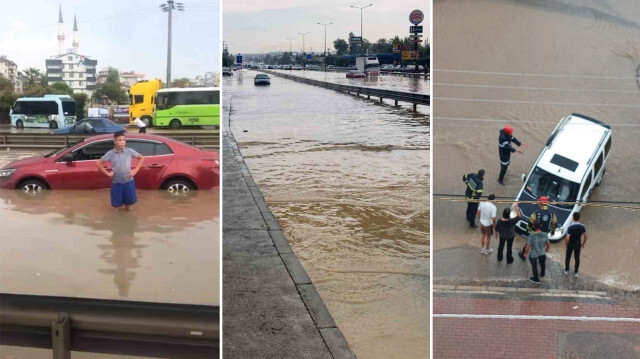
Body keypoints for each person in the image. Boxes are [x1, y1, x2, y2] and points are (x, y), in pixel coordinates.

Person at [96, 131, 145, 210]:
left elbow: (142, 158)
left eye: (124, 140)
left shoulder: (129, 151)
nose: (122, 142)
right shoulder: (110, 153)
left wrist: (135, 170)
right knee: (116, 207)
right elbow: (98, 163)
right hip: (116, 183)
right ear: (115, 141)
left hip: (129, 182)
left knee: (129, 207)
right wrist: (108, 173)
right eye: (120, 140)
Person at [519, 196, 557, 260]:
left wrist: (528, 229)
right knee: (541, 246)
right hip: (545, 233)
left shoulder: (536, 213)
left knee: (528, 244)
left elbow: (530, 222)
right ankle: (541, 258)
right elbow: (554, 223)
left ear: (540, 203)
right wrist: (553, 231)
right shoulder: (552, 213)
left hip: (534, 232)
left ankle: (524, 255)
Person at [523, 219, 550, 284]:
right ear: (541, 225)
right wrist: (547, 249)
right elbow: (548, 243)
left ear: (533, 226)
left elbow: (528, 246)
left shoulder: (531, 236)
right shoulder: (545, 234)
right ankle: (542, 274)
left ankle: (536, 278)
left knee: (534, 266)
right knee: (542, 263)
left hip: (533, 254)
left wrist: (525, 253)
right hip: (542, 252)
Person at [565, 212, 588, 277]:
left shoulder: (570, 227)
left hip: (570, 243)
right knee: (577, 258)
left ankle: (566, 270)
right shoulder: (582, 226)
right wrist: (583, 243)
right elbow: (586, 236)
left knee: (568, 257)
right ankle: (576, 272)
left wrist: (566, 245)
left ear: (573, 217)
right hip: (578, 243)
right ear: (579, 217)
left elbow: (567, 238)